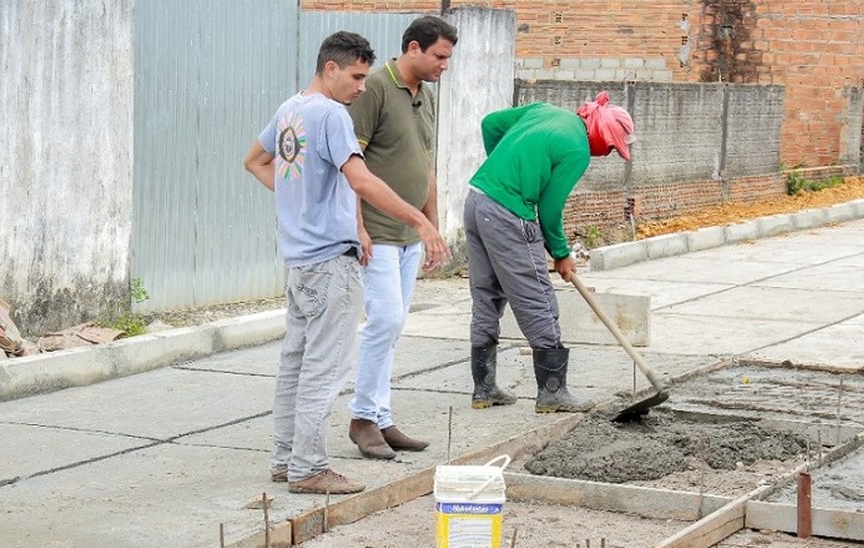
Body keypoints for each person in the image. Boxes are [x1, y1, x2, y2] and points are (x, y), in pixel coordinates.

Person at [243, 31, 450, 495]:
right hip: (330, 264)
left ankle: (285, 460)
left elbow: (255, 161)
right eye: (356, 76)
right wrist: (420, 220)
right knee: (324, 369)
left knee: (294, 365)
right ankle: (309, 468)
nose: (362, 86)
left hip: (297, 263)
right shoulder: (332, 115)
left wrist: (301, 202)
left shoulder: (289, 109)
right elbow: (361, 179)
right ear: (330, 69)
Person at [464, 91, 635, 413]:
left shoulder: (544, 111)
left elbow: (490, 124)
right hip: (509, 212)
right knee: (537, 298)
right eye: (612, 146)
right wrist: (561, 252)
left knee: (486, 296)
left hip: (476, 200)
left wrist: (503, 168)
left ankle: (484, 390)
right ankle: (552, 391)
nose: (608, 152)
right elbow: (550, 208)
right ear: (602, 133)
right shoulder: (577, 149)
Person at [345, 16, 458, 460]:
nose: (444, 65)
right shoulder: (373, 88)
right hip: (378, 232)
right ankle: (361, 418)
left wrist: (432, 227)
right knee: (385, 322)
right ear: (414, 48)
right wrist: (357, 227)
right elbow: (348, 162)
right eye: (439, 56)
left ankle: (382, 416)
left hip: (411, 236)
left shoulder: (424, 97)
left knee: (393, 330)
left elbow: (425, 163)